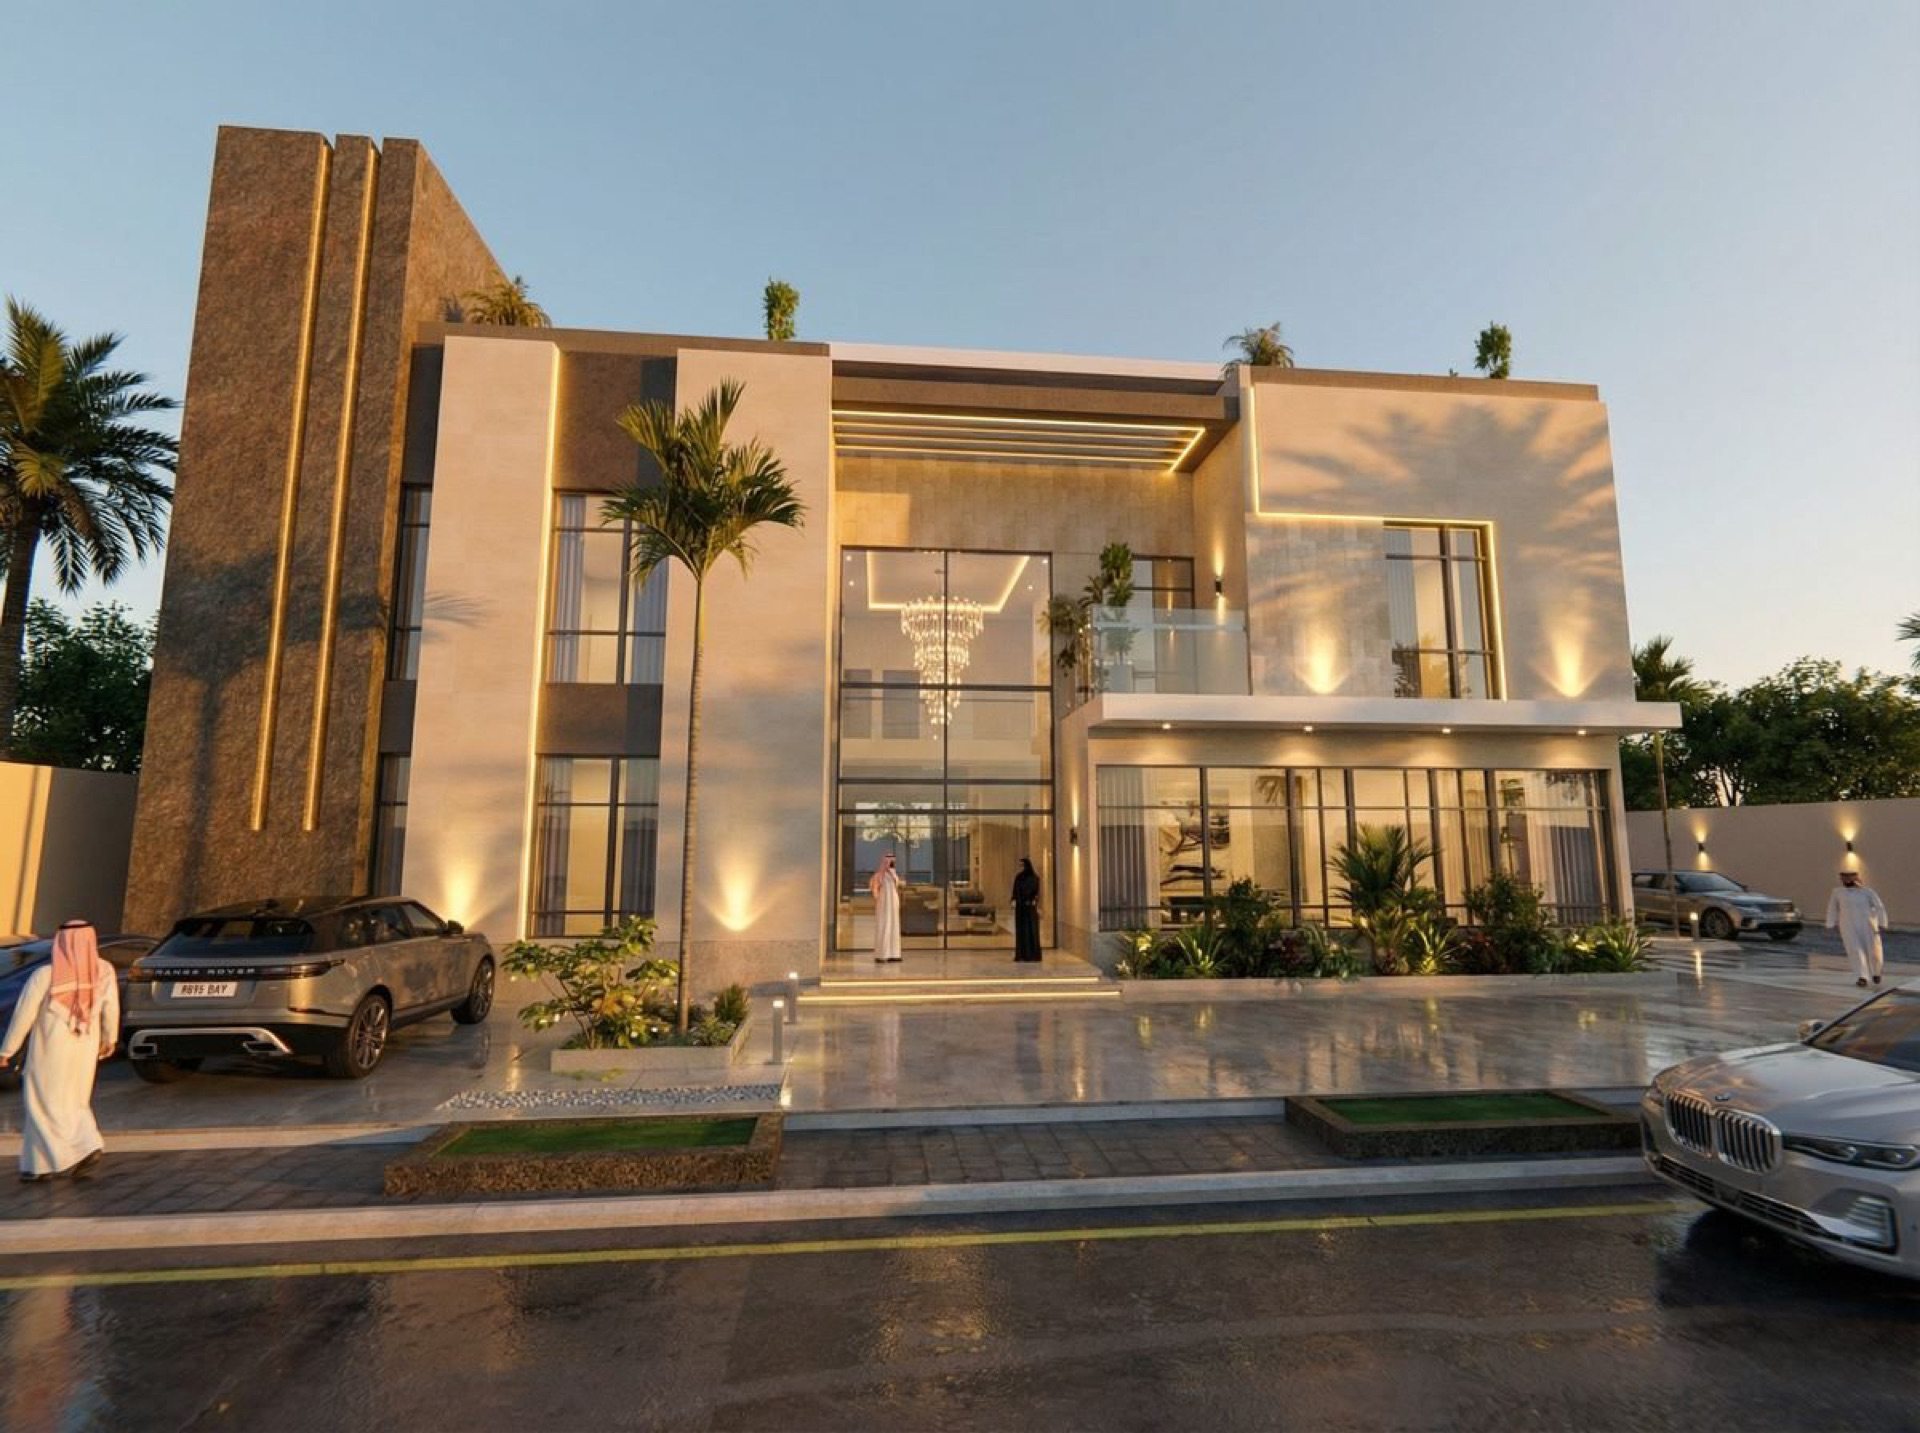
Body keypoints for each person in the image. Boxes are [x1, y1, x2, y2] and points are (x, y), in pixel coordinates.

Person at [0, 920, 119, 1182]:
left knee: (43, 1104)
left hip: (51, 1048)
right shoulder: (104, 970)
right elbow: (111, 1007)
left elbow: (24, 1015)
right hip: (86, 1047)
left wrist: (7, 1050)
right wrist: (110, 1038)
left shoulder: (45, 974)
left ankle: (80, 1150)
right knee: (74, 1101)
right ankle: (39, 1165)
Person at [1825, 870, 1889, 989]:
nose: (1846, 880)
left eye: (1849, 877)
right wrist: (1830, 923)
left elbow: (1879, 907)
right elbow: (1832, 907)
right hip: (1848, 925)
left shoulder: (1867, 892)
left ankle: (1876, 972)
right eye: (1844, 877)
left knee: (1873, 950)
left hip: (1868, 924)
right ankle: (1862, 976)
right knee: (1854, 950)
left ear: (1855, 878)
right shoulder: (1838, 892)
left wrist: (1882, 923)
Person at [869, 853, 903, 964]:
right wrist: (877, 899)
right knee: (885, 925)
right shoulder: (879, 875)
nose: (890, 863)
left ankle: (894, 954)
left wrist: (891, 872)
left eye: (891, 861)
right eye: (887, 860)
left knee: (894, 926)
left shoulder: (894, 874)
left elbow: (897, 885)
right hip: (884, 902)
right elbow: (874, 887)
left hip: (893, 901)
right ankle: (882, 954)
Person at [1012, 858, 1043, 963]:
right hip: (1021, 909)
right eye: (1020, 865)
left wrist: (1035, 901)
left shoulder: (1034, 878)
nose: (1021, 867)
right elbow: (1015, 891)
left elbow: (1037, 893)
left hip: (1030, 909)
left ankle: (1032, 955)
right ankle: (1022, 955)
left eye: (1022, 865)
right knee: (1022, 931)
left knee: (1031, 931)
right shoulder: (1018, 878)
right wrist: (1014, 900)